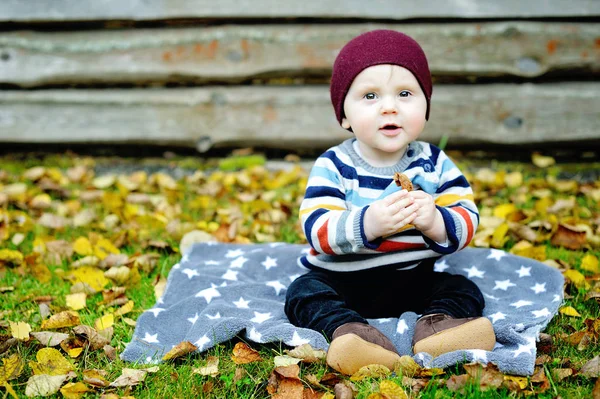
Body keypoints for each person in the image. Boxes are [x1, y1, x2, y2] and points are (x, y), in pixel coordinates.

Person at [284, 30, 496, 375]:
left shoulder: (435, 163)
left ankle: (437, 328)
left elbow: (466, 218)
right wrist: (367, 223)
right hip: (343, 278)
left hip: (413, 277)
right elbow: (317, 228)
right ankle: (351, 334)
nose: (389, 106)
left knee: (462, 287)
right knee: (303, 293)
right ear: (344, 116)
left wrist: (435, 221)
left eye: (405, 93)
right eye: (370, 95)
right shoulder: (334, 165)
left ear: (426, 105)